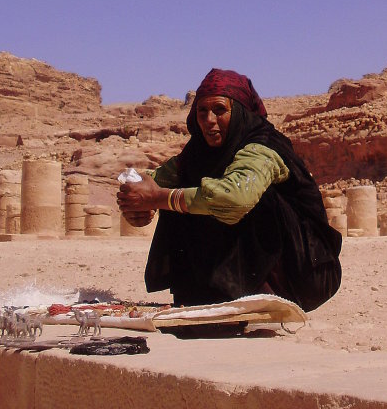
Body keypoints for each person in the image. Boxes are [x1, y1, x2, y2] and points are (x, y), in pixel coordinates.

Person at [117, 68, 342, 312]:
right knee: (185, 184)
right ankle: (206, 292)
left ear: (240, 113)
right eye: (202, 111)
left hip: (302, 272)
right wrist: (137, 203)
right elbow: (151, 182)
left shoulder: (262, 147)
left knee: (248, 196)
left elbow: (236, 198)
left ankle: (260, 292)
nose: (209, 120)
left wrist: (159, 198)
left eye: (220, 110)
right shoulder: (196, 154)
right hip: (243, 273)